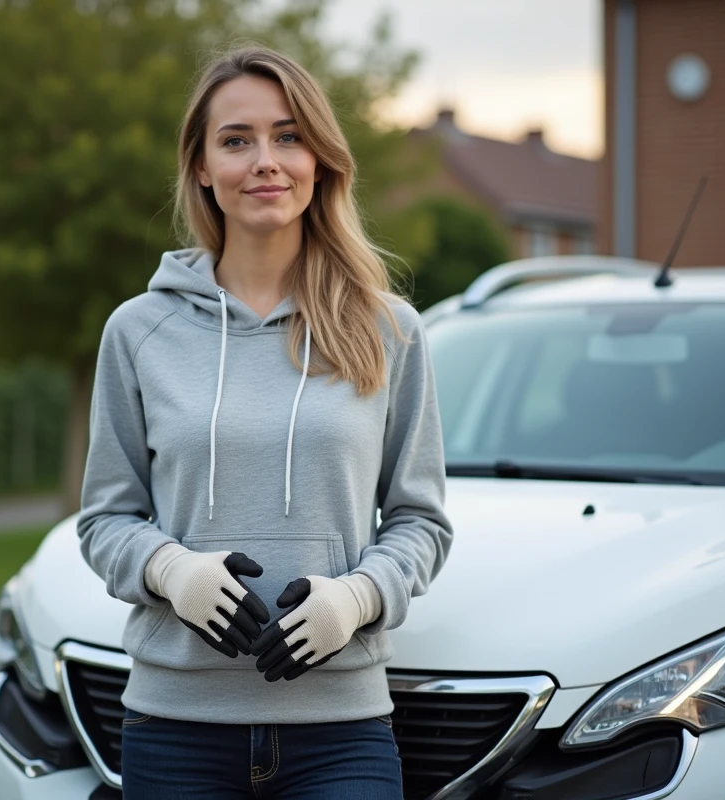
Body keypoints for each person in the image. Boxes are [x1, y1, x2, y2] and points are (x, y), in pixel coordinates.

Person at [77, 44, 452, 800]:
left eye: (288, 136)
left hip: (341, 734)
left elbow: (420, 522)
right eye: (237, 140)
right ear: (203, 169)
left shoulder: (388, 330)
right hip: (175, 728)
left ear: (320, 162)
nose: (265, 162)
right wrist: (169, 571)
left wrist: (358, 597)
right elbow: (106, 520)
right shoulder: (138, 331)